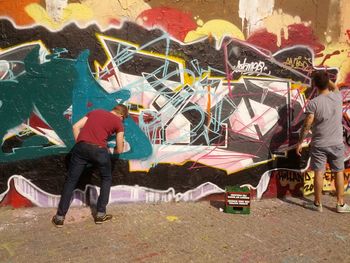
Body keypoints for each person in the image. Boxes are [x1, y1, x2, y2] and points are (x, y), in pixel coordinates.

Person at [52, 104, 128, 227]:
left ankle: (60, 217)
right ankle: (100, 215)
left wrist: (81, 144)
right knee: (106, 178)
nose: (122, 120)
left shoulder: (96, 111)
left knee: (71, 180)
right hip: (100, 150)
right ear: (121, 115)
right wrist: (113, 150)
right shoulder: (118, 122)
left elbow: (76, 126)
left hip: (81, 147)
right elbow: (119, 149)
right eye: (123, 118)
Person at [296, 71, 350, 213]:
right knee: (338, 172)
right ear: (327, 83)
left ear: (315, 85)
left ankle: (317, 204)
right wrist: (326, 80)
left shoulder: (313, 103)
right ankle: (340, 204)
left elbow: (307, 124)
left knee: (319, 172)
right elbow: (334, 86)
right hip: (337, 143)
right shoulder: (337, 96)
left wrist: (300, 142)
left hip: (320, 144)